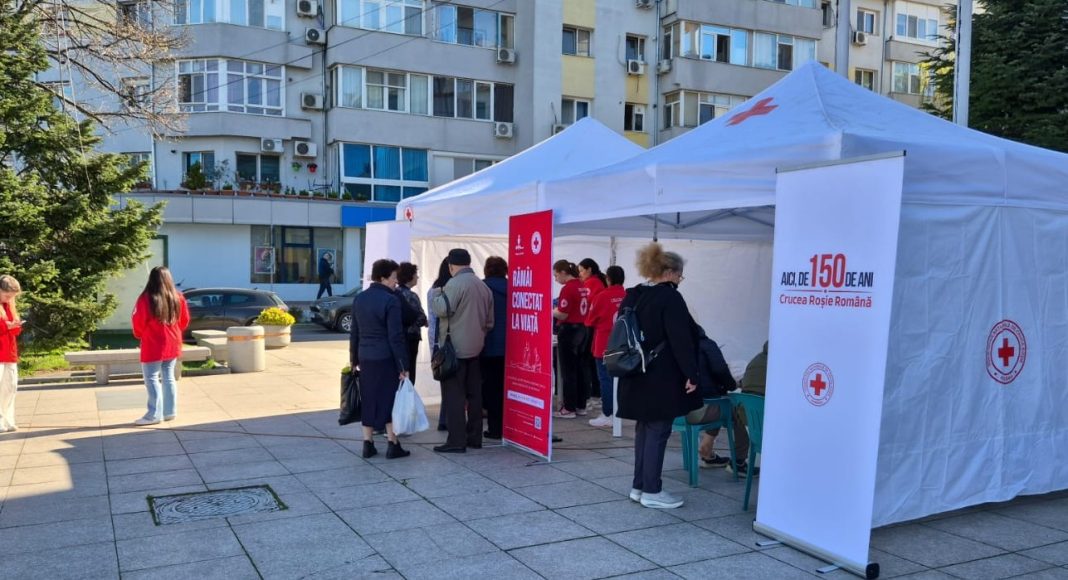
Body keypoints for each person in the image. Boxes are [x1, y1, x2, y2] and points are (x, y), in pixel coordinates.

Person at [617, 243, 703, 509]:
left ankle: (639, 486)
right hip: (660, 376)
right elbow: (681, 339)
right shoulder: (670, 298)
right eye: (679, 275)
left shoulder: (633, 295)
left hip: (634, 371)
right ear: (668, 272)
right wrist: (691, 374)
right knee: (658, 430)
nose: (679, 280)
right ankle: (652, 491)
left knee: (644, 429)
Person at [430, 248, 493, 453]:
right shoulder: (483, 286)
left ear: (451, 265)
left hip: (454, 350)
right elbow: (489, 322)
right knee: (475, 395)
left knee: (454, 397)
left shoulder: (454, 284)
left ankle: (456, 441)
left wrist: (436, 295)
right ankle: (475, 437)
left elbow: (442, 309)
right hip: (476, 348)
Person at [350, 259, 410, 459]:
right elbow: (395, 336)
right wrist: (402, 365)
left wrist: (353, 359)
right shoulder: (391, 300)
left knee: (368, 398)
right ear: (383, 278)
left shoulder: (360, 298)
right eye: (393, 277)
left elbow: (354, 332)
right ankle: (393, 443)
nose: (396, 282)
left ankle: (368, 443)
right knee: (389, 399)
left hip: (365, 356)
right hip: (385, 357)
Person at [131, 267, 191, 426]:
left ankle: (153, 414)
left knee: (151, 378)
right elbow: (184, 321)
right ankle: (169, 412)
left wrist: (140, 335)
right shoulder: (178, 296)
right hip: (172, 342)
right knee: (169, 377)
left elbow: (138, 322)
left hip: (153, 343)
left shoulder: (146, 298)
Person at [585, 265, 626, 428]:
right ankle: (618, 411)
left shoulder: (601, 296)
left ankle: (608, 413)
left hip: (604, 344)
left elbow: (590, 321)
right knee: (620, 380)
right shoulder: (628, 295)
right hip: (623, 344)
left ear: (608, 279)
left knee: (606, 380)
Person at [552, 260, 587, 418]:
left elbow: (563, 314)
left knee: (568, 371)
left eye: (556, 275)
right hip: (582, 329)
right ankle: (580, 405)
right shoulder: (581, 285)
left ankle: (569, 408)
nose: (555, 279)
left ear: (563, 272)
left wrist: (552, 310)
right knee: (580, 369)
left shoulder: (568, 288)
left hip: (569, 331)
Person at [480, 256, 508, 440]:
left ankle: (495, 428)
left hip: (488, 345)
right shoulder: (515, 288)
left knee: (491, 389)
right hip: (513, 346)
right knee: (509, 388)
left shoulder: (482, 287)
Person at [427, 257, 452, 431]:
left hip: (436, 342)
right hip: (449, 340)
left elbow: (432, 319)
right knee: (454, 383)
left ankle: (444, 418)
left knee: (445, 381)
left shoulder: (433, 289)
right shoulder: (449, 290)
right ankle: (447, 418)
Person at [577, 258, 606, 403]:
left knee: (588, 360)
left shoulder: (592, 283)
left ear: (589, 269)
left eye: (581, 270)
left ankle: (593, 392)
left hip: (590, 325)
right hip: (594, 325)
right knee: (592, 360)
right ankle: (596, 391)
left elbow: (587, 303)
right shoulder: (597, 281)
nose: (580, 274)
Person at [395, 262, 427, 385]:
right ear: (409, 276)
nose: (417, 277)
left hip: (397, 338)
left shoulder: (393, 293)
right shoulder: (411, 296)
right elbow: (420, 317)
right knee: (410, 371)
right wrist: (424, 321)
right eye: (415, 274)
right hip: (411, 337)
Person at [0, 275, 24, 433]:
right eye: (7, 295)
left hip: (9, 353)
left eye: (12, 296)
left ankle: (8, 420)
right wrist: (5, 326)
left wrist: (15, 325)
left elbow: (15, 331)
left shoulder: (9, 306)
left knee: (11, 387)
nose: (9, 299)